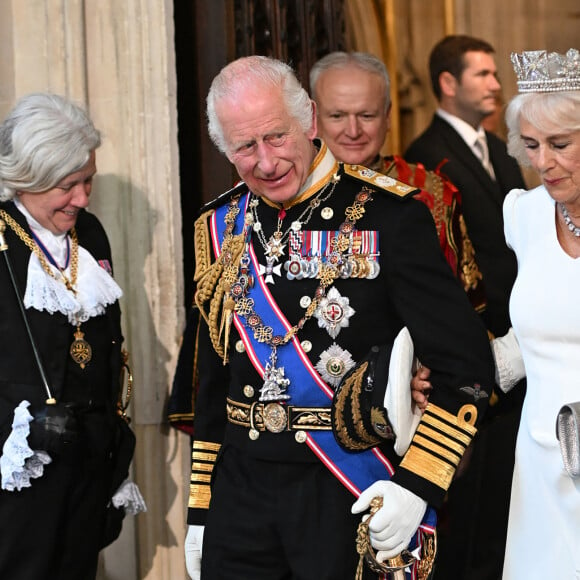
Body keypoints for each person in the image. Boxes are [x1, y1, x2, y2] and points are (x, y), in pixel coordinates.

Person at [183, 55, 495, 580]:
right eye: (244, 147)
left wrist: (418, 483)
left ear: (307, 120)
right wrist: (200, 509)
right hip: (242, 500)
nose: (265, 161)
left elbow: (464, 366)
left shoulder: (389, 216)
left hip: (350, 490)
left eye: (276, 137)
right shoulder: (218, 227)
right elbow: (215, 382)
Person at [0, 93, 138, 580]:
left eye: (88, 181)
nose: (82, 198)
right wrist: (21, 425)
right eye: (67, 186)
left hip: (88, 467)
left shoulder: (91, 233)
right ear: (27, 179)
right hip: (18, 483)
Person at [404, 35, 527, 580]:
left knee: (506, 501)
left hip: (520, 352)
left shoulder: (501, 149)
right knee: (471, 514)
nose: (496, 84)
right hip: (472, 356)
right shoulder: (425, 157)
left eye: (496, 74)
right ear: (448, 83)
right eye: (482, 75)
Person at [309, 51, 485, 311]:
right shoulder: (291, 190)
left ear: (388, 116)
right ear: (314, 117)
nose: (353, 131)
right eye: (337, 116)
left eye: (367, 116)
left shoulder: (431, 192)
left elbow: (465, 306)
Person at [499, 48, 580, 579]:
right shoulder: (522, 214)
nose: (543, 163)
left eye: (560, 144)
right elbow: (529, 336)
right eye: (531, 146)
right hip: (540, 455)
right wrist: (445, 372)